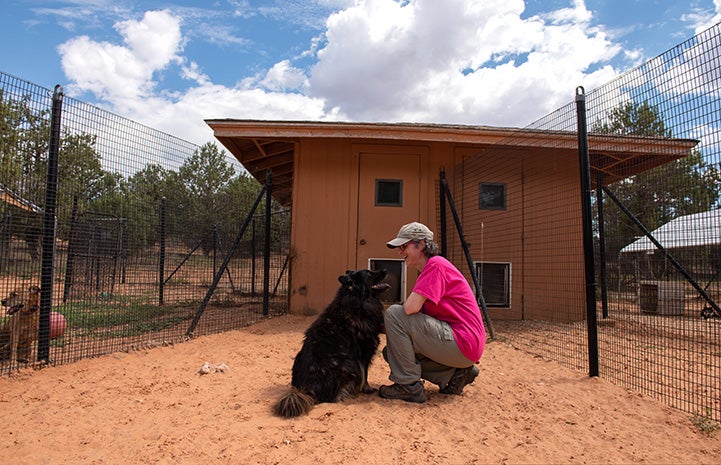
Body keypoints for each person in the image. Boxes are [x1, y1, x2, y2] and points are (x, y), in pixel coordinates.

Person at [379, 222, 486, 403]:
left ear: (421, 244)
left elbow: (409, 309)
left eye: (404, 246)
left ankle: (409, 387)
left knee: (395, 313)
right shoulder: (431, 270)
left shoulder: (435, 265)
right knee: (391, 353)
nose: (399, 252)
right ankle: (455, 374)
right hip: (464, 346)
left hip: (462, 340)